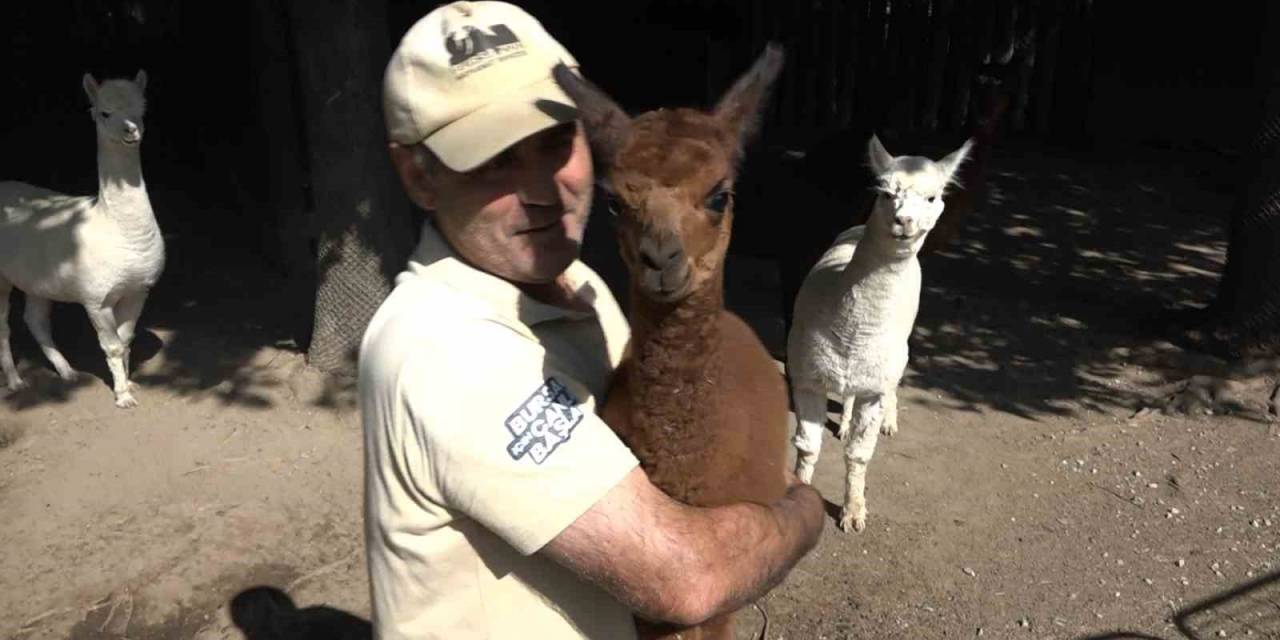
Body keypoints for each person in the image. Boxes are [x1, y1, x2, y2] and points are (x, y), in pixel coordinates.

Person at [358, 2, 826, 638]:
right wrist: (801, 513)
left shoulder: (576, 287)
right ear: (419, 176)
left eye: (556, 143)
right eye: (495, 161)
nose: (544, 189)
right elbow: (685, 576)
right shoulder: (442, 348)